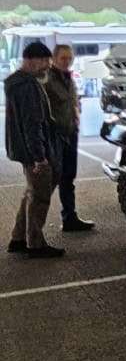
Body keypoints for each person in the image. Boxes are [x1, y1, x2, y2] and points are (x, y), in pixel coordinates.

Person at [6, 42, 64, 258]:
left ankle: (18, 238)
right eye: (45, 62)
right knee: (39, 196)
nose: (47, 67)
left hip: (24, 150)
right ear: (31, 60)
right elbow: (33, 123)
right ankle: (35, 244)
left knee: (31, 193)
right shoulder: (28, 86)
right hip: (34, 152)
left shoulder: (16, 82)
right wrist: (39, 157)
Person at [44, 45, 95, 231]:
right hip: (55, 136)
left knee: (68, 177)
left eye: (69, 58)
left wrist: (76, 117)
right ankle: (29, 229)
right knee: (47, 183)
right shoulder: (47, 79)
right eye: (63, 58)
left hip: (70, 133)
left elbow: (73, 101)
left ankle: (70, 218)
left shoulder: (68, 78)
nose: (67, 61)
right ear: (54, 59)